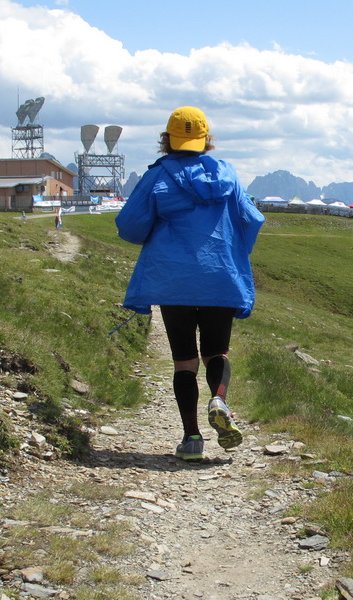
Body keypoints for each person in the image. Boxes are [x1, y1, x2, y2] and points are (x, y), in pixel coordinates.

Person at [115, 106, 265, 461]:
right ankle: (219, 400)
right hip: (220, 275)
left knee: (184, 360)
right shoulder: (227, 174)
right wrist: (233, 251)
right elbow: (252, 219)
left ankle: (192, 438)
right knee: (217, 352)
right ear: (206, 139)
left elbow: (130, 226)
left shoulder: (157, 175)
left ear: (167, 139)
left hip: (174, 279)